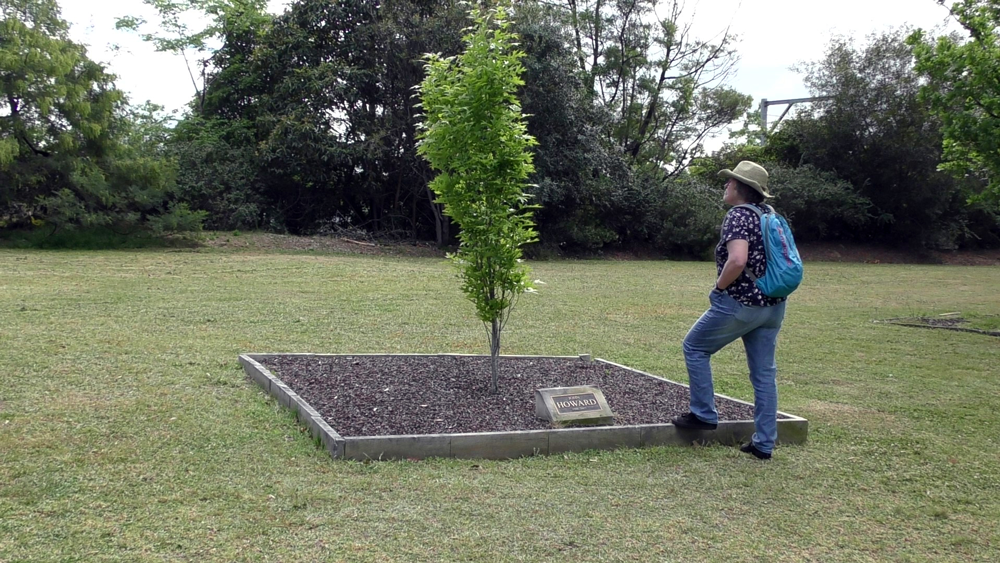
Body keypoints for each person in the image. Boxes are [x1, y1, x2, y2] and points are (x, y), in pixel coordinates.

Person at [670, 161, 788, 460]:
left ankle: (704, 415)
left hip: (740, 303)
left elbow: (737, 260)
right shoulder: (769, 215)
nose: (725, 186)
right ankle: (764, 443)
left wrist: (719, 288)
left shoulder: (738, 216)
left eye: (729, 182)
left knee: (694, 347)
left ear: (741, 188)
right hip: (773, 306)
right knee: (764, 374)